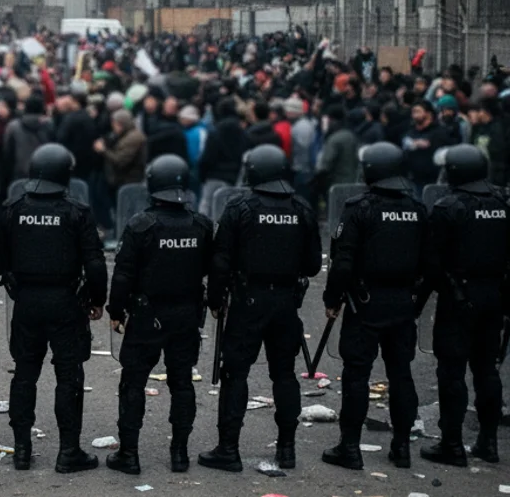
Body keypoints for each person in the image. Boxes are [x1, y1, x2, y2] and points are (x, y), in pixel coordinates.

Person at [198, 145, 321, 472]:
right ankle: (287, 449)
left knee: (235, 373)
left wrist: (215, 298)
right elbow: (311, 265)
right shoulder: (302, 208)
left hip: (247, 301)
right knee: (284, 374)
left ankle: (228, 450)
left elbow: (221, 260)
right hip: (285, 303)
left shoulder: (240, 207)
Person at [0, 143, 107, 473]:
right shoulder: (76, 211)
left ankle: (21, 450)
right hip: (66, 302)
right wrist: (96, 300)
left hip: (27, 302)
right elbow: (96, 264)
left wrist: (13, 278)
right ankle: (68, 452)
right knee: (68, 376)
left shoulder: (14, 208)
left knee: (25, 374)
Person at [322, 142, 429, 471]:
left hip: (365, 304)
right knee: (401, 375)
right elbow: (430, 263)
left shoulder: (359, 207)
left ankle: (350, 448)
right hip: (402, 304)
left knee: (357, 376)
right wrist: (416, 303)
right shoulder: (417, 208)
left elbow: (343, 261)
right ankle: (401, 447)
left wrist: (333, 299)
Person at [106, 155, 212, 475]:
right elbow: (213, 268)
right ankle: (179, 454)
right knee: (182, 383)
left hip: (146, 316)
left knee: (133, 383)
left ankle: (129, 454)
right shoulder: (202, 225)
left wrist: (116, 310)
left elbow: (124, 273)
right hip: (186, 315)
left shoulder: (141, 224)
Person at [419, 145, 507, 466]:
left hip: (459, 299)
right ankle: (488, 442)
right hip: (494, 296)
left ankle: (452, 444)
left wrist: (417, 302)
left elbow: (432, 262)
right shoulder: (503, 201)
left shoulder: (449, 207)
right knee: (487, 369)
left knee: (452, 372)